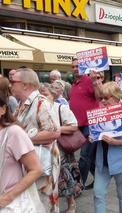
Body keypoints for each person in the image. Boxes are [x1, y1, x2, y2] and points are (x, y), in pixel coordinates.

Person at [11, 68, 61, 213]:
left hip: (43, 166)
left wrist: (23, 138)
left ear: (25, 85)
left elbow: (54, 132)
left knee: (44, 205)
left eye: (14, 81)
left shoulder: (41, 103)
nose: (10, 85)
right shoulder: (22, 104)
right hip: (32, 165)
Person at [0, 77, 43, 212]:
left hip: (10, 205)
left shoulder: (13, 133)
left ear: (2, 109)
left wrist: (7, 197)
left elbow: (35, 169)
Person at [93, 81, 122, 213]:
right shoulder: (99, 114)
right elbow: (96, 134)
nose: (103, 101)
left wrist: (116, 142)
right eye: (101, 98)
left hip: (121, 161)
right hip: (102, 162)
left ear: (115, 96)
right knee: (98, 193)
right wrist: (93, 137)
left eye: (106, 97)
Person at [40, 83, 82, 213]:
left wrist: (55, 129)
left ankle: (72, 204)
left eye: (45, 95)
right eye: (40, 95)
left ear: (53, 95)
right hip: (44, 148)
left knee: (65, 177)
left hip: (61, 148)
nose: (43, 98)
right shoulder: (38, 110)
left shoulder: (61, 108)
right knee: (49, 179)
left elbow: (73, 126)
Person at [69, 58, 101, 189]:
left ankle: (78, 185)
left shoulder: (89, 81)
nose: (75, 68)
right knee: (90, 157)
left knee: (84, 157)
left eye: (78, 66)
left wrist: (94, 82)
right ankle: (99, 178)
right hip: (78, 126)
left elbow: (99, 96)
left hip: (90, 125)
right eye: (73, 66)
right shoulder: (74, 84)